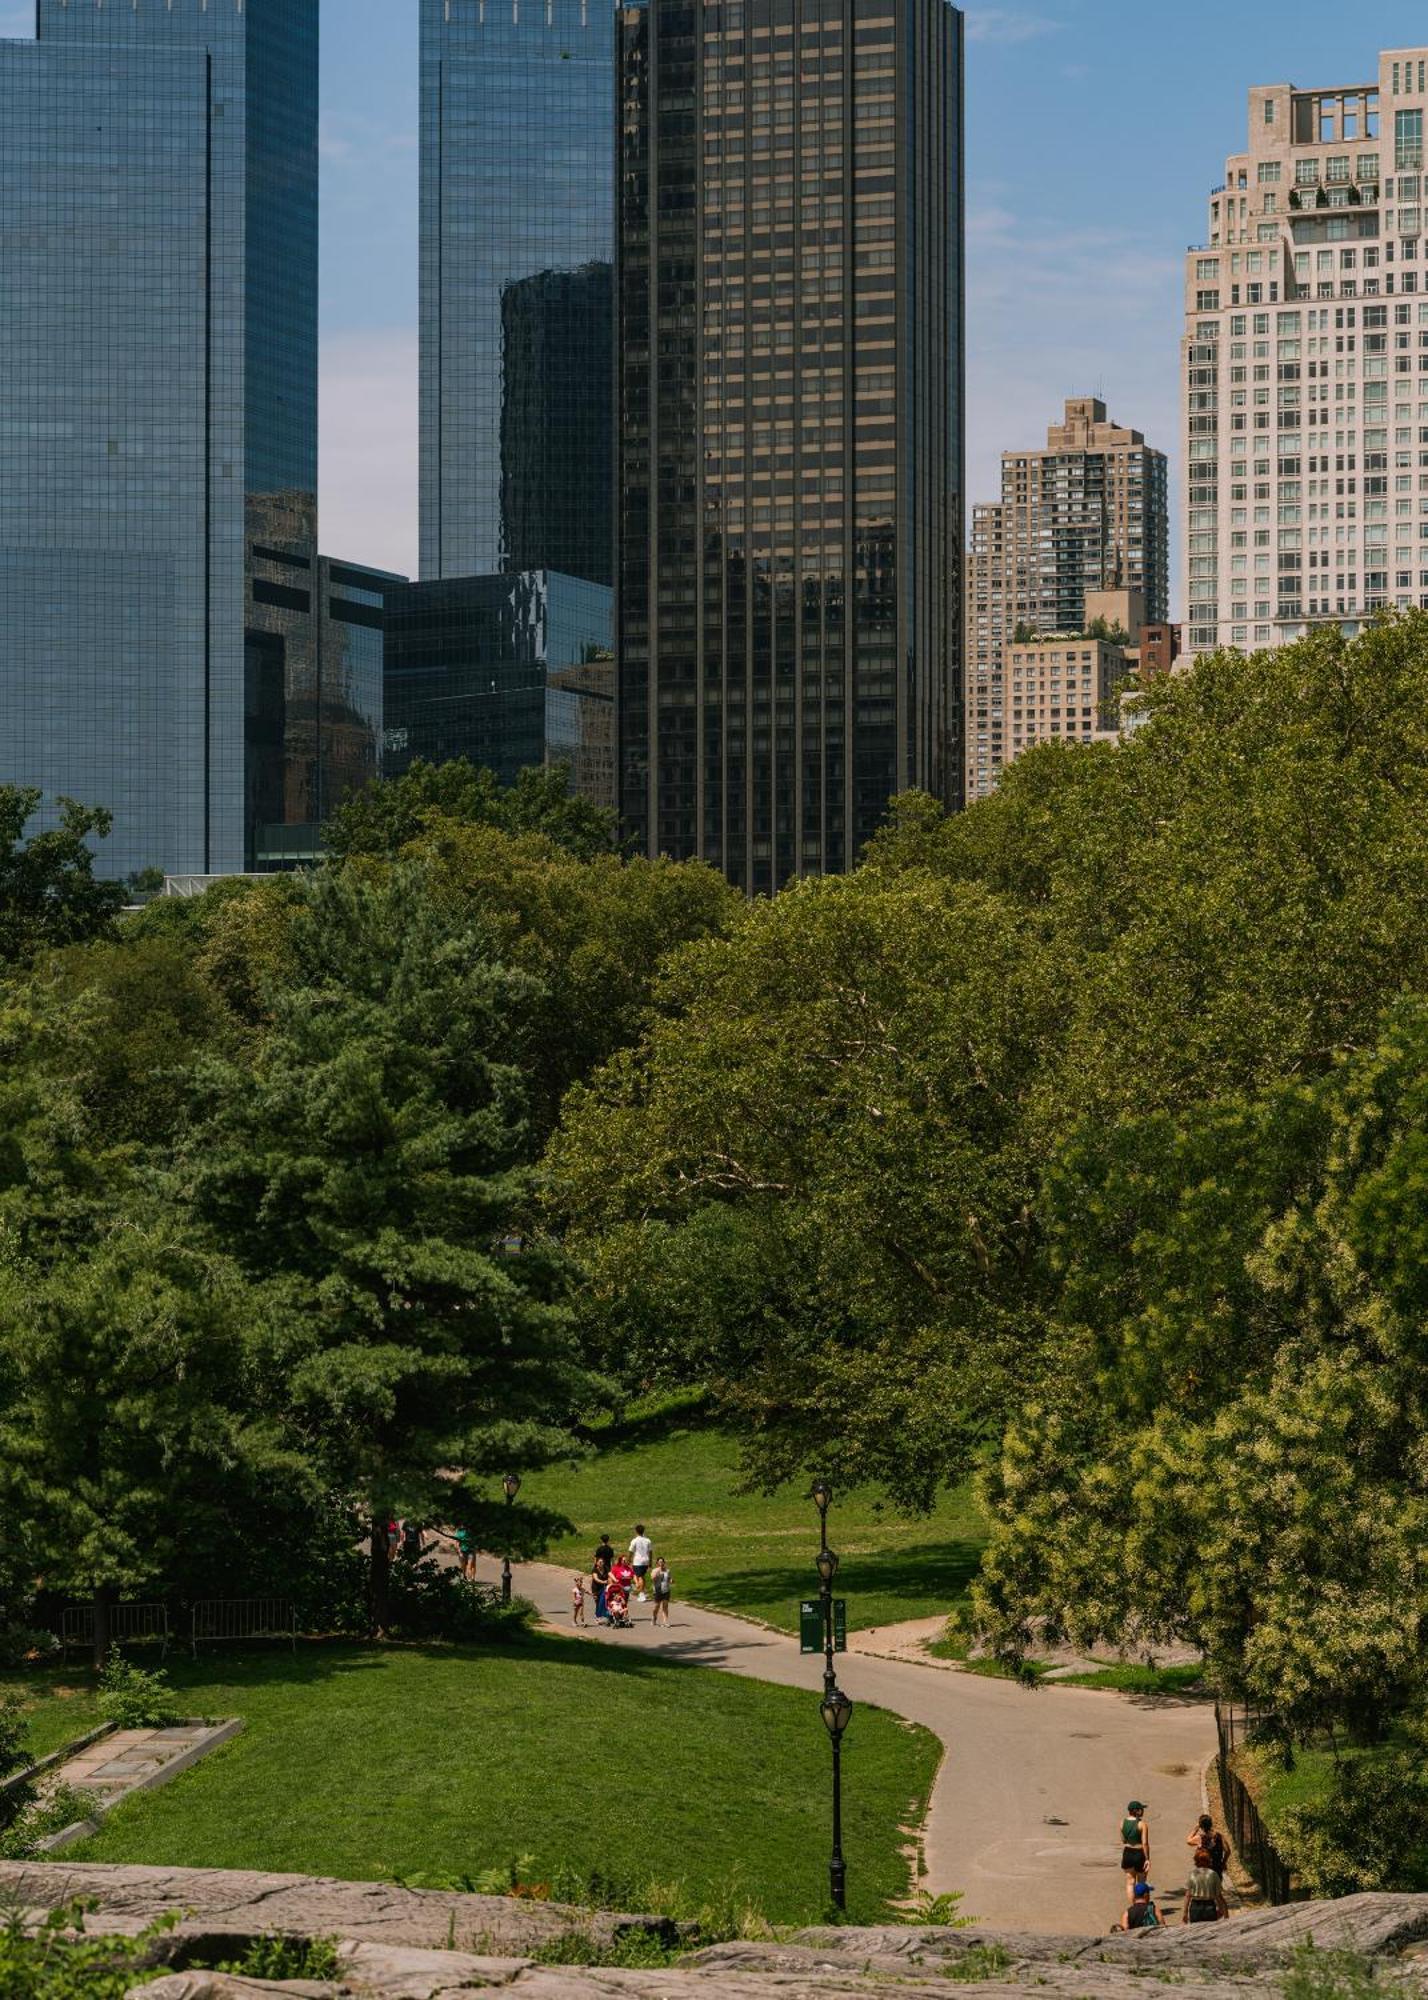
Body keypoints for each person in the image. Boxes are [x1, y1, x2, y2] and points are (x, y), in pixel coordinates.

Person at [1182, 1849, 1229, 1924]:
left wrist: (1185, 1913)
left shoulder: (1192, 1874)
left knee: (1196, 1932)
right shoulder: (1213, 1874)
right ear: (1209, 1861)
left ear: (1196, 1861)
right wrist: (1223, 1911)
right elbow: (1218, 1896)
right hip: (1209, 1907)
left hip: (1195, 1908)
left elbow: (1188, 1895)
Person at [1185, 1813, 1230, 1879]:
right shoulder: (1219, 1836)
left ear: (1201, 1826)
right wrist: (1223, 1862)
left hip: (1204, 1870)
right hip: (1217, 1869)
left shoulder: (1200, 1838)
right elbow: (1227, 1851)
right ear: (1211, 1824)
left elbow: (1188, 1841)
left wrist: (1195, 1829)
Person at [1120, 1801, 1150, 1896]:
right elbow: (1145, 1843)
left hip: (1127, 1852)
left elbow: (1123, 1840)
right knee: (1141, 1883)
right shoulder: (1142, 1824)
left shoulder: (1122, 1822)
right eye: (1141, 1809)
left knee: (1130, 1882)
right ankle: (1141, 1906)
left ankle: (1133, 1906)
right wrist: (1147, 1858)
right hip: (1139, 1853)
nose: (1142, 1811)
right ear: (1136, 1811)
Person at [629, 1525, 654, 1602]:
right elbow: (650, 1552)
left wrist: (629, 1559)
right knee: (641, 1576)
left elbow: (631, 1551)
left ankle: (641, 1593)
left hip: (638, 1561)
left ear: (636, 1531)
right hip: (645, 1560)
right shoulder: (648, 1540)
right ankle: (640, 1590)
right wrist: (650, 1561)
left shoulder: (634, 1540)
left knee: (639, 1577)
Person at [650, 1556, 672, 1626]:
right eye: (659, 1562)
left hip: (666, 1590)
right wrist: (658, 1572)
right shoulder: (655, 1570)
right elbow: (653, 1579)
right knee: (656, 1607)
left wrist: (671, 1580)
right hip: (657, 1590)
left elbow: (669, 1578)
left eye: (662, 1562)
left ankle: (665, 1621)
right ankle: (654, 1617)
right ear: (657, 1563)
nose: (661, 1563)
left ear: (664, 1562)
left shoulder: (667, 1571)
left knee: (665, 1606)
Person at [591, 1555, 611, 1623]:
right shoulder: (595, 1570)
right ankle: (597, 1616)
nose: (601, 1563)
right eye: (599, 1562)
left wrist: (614, 1580)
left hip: (604, 1588)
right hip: (596, 1588)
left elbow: (610, 1575)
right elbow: (596, 1579)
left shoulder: (606, 1568)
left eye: (602, 1562)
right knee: (597, 1602)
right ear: (596, 1563)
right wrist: (604, 1582)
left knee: (603, 1602)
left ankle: (602, 1616)